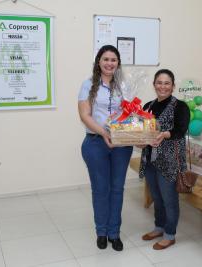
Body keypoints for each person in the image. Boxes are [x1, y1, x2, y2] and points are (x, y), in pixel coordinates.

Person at [78, 45, 133, 251]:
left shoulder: (125, 86)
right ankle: (101, 231)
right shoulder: (88, 85)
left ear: (118, 63)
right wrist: (104, 133)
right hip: (96, 143)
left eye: (114, 60)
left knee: (117, 189)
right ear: (98, 62)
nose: (110, 63)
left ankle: (114, 233)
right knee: (101, 190)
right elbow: (84, 115)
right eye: (106, 59)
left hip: (121, 144)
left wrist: (133, 132)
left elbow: (130, 114)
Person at [139, 69, 190, 250]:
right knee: (157, 197)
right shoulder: (148, 106)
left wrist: (164, 134)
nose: (163, 86)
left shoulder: (180, 106)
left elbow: (181, 130)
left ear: (173, 86)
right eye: (159, 82)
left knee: (169, 199)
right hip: (150, 160)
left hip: (169, 162)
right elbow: (141, 131)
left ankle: (170, 234)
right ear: (154, 85)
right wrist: (137, 140)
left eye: (167, 83)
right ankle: (159, 227)